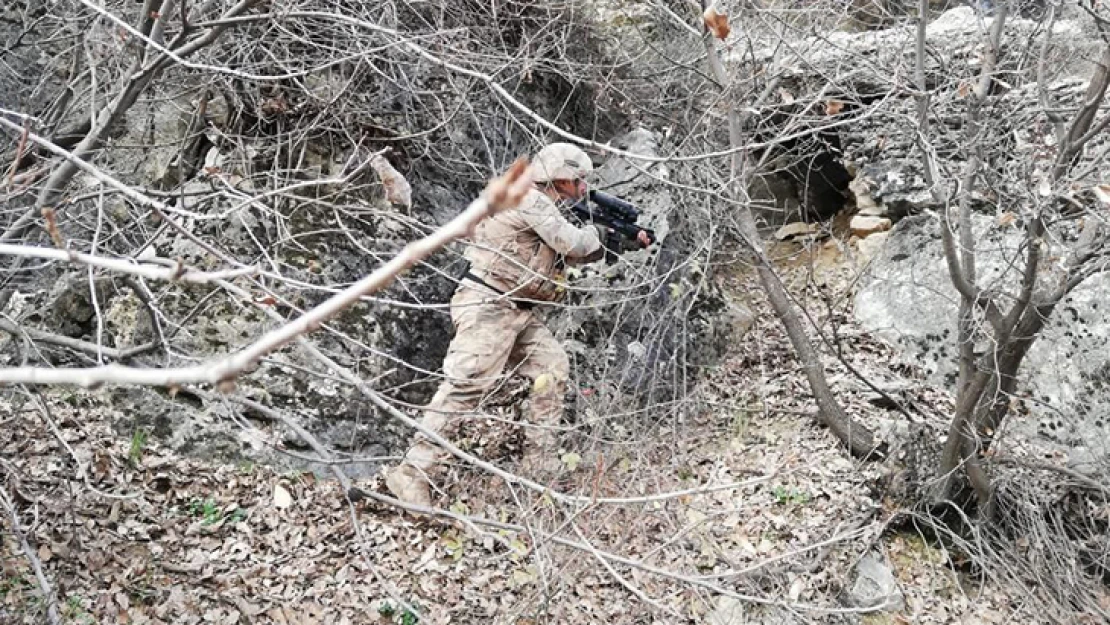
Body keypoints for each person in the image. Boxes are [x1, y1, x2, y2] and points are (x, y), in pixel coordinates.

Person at [384, 142, 649, 507]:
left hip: (516, 309)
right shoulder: (528, 200)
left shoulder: (542, 206)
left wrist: (614, 243)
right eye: (579, 180)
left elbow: (557, 255)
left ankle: (539, 466)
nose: (584, 187)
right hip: (489, 305)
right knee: (465, 386)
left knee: (552, 368)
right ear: (560, 179)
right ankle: (412, 473)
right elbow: (571, 242)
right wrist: (603, 238)